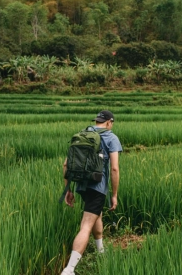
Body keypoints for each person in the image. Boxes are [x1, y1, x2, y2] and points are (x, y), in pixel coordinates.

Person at [61, 110, 123, 275]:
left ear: (97, 121)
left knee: (96, 215)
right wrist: (114, 195)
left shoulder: (83, 134)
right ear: (109, 122)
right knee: (86, 225)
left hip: (81, 185)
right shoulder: (111, 137)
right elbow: (115, 168)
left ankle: (100, 250)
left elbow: (65, 165)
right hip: (97, 187)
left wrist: (69, 189)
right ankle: (69, 269)